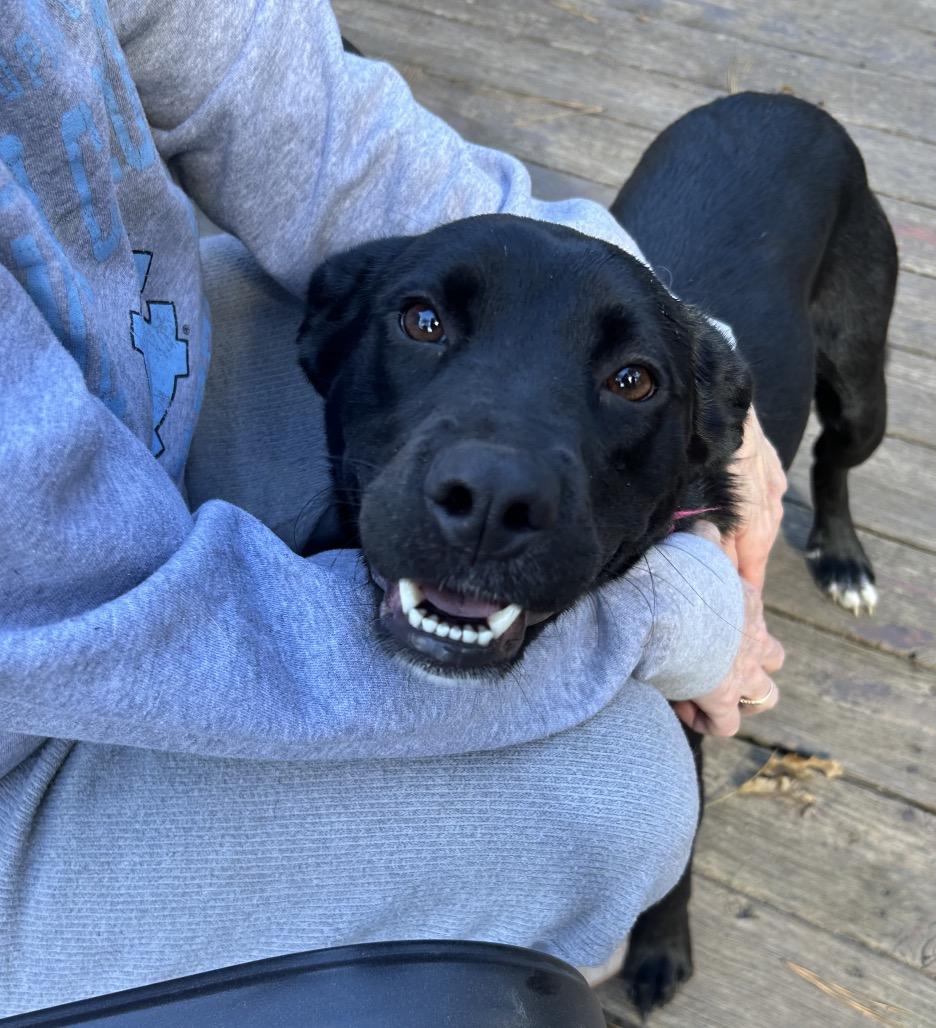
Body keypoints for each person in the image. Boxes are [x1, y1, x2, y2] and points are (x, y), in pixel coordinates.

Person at [0, 0, 784, 1014]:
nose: (488, 486)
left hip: (87, 455)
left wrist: (684, 342)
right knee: (619, 797)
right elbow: (72, 621)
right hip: (34, 692)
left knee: (266, 283)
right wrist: (660, 612)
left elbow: (302, 113)